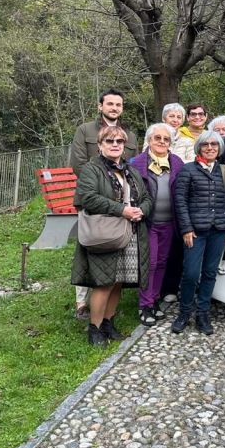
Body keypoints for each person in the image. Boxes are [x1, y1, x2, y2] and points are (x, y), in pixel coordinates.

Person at [71, 125, 151, 345]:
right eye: (110, 141)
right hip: (105, 234)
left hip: (130, 233)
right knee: (104, 282)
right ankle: (94, 329)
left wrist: (142, 210)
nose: (115, 145)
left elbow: (146, 197)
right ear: (100, 145)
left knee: (118, 282)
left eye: (119, 141)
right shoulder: (91, 169)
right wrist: (122, 210)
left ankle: (108, 322)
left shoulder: (130, 171)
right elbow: (87, 198)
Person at [68, 88, 139, 320]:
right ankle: (82, 303)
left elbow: (133, 165)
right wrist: (103, 183)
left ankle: (106, 314)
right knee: (91, 248)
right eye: (110, 104)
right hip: (94, 200)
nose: (114, 108)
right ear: (101, 106)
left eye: (118, 104)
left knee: (117, 257)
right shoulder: (85, 130)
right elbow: (78, 163)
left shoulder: (129, 134)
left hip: (123, 205)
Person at [172, 130, 225, 335]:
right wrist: (186, 228)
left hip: (218, 230)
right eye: (206, 144)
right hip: (195, 232)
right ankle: (184, 311)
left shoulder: (224, 172)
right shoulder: (188, 170)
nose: (210, 148)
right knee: (190, 273)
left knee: (210, 272)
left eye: (214, 145)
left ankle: (203, 313)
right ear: (199, 147)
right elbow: (180, 201)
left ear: (219, 148)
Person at [129, 122, 184, 326]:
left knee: (162, 262)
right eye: (157, 138)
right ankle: (144, 304)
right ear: (149, 140)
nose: (161, 142)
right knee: (149, 263)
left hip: (169, 222)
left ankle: (154, 300)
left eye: (166, 139)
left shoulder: (177, 162)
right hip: (148, 222)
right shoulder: (137, 163)